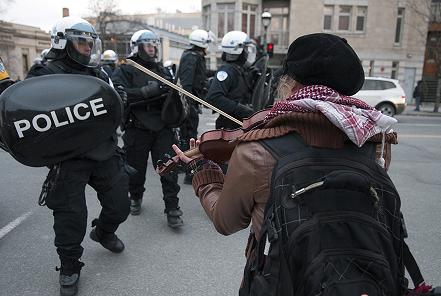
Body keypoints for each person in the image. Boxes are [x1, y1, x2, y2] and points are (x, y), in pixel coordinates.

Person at [170, 33, 423, 295]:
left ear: (289, 84)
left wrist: (205, 173)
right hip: (363, 278)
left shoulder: (256, 149)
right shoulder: (375, 141)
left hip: (284, 281)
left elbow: (227, 221)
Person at [26, 17, 130, 296]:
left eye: (89, 41)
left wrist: (120, 96)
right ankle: (70, 266)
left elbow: (114, 99)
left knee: (120, 204)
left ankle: (104, 232)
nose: (87, 47)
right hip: (68, 158)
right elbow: (25, 113)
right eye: (80, 40)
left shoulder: (97, 73)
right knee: (70, 218)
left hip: (104, 152)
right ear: (62, 41)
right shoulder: (43, 74)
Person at [112, 29, 184, 227]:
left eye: (154, 45)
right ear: (137, 47)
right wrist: (146, 91)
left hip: (162, 128)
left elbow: (174, 96)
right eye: (148, 44)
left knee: (169, 169)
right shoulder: (125, 70)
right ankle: (135, 197)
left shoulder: (162, 69)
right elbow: (120, 96)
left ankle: (172, 208)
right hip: (137, 128)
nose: (152, 48)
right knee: (136, 170)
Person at [177, 29, 214, 184]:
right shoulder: (191, 57)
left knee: (188, 134)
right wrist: (191, 103)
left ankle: (183, 165)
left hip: (191, 102)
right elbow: (187, 83)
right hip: (188, 103)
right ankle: (188, 171)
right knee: (188, 135)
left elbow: (200, 76)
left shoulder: (196, 56)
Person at [205, 31, 256, 130]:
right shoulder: (226, 71)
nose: (247, 52)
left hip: (241, 125)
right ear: (236, 50)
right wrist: (240, 109)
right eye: (245, 49)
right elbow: (214, 97)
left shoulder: (240, 69)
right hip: (229, 128)